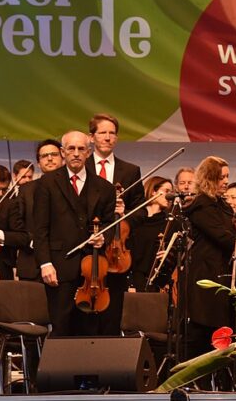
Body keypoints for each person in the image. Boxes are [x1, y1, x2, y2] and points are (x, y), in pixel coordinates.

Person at [34, 131, 115, 337]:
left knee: (89, 329)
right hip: (59, 267)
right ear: (63, 152)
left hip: (92, 270)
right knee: (61, 326)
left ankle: (86, 370)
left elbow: (109, 223)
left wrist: (103, 236)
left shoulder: (104, 187)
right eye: (71, 149)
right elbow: (40, 228)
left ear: (89, 152)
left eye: (81, 149)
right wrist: (45, 263)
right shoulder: (47, 183)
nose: (76, 153)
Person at [87, 113, 147, 335]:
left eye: (112, 133)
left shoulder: (130, 171)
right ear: (91, 137)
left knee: (112, 314)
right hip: (88, 248)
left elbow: (142, 211)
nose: (108, 137)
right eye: (102, 132)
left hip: (117, 252)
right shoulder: (81, 167)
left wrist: (125, 215)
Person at [183, 156, 236, 360]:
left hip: (220, 273)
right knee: (202, 330)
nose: (225, 181)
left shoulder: (219, 204)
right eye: (221, 177)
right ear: (210, 178)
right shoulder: (201, 206)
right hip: (205, 274)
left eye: (227, 177)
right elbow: (222, 236)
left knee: (220, 329)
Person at [10, 139, 63, 282]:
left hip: (66, 266)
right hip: (31, 264)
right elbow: (16, 224)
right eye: (44, 156)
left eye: (54, 154)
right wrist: (33, 241)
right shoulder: (26, 189)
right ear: (38, 163)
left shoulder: (75, 189)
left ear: (63, 157)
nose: (50, 158)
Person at [130, 176, 175, 292]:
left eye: (172, 193)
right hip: (131, 278)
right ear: (154, 191)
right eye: (166, 191)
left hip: (155, 280)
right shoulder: (135, 218)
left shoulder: (170, 222)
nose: (170, 196)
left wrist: (168, 254)